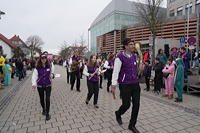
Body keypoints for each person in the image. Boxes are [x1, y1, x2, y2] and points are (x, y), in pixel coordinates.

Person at [112, 38, 141, 133]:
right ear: (126, 46)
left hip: (135, 84)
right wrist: (113, 85)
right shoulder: (119, 57)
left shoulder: (134, 56)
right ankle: (118, 113)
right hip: (125, 85)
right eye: (131, 44)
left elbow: (136, 70)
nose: (133, 46)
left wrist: (140, 69)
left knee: (136, 104)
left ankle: (132, 125)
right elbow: (115, 72)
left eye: (133, 44)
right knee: (126, 105)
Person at [32, 53, 55, 121]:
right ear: (40, 59)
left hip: (48, 85)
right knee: (42, 99)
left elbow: (53, 74)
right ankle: (44, 109)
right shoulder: (37, 68)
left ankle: (47, 114)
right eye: (42, 58)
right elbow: (34, 77)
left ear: (46, 59)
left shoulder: (50, 66)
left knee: (47, 99)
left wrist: (52, 75)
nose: (43, 59)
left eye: (45, 58)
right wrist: (33, 85)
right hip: (40, 86)